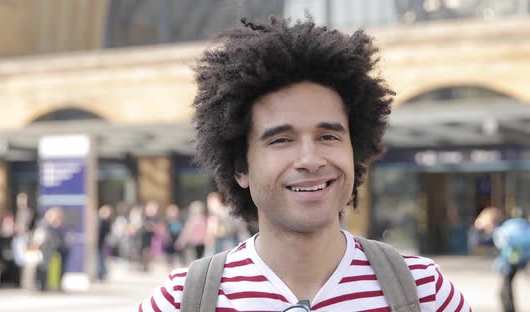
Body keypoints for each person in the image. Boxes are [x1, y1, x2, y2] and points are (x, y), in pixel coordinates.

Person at [139, 16, 470, 311]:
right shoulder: (182, 300)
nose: (311, 160)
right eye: (281, 140)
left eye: (328, 137)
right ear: (241, 167)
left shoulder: (425, 292)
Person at [493, 207, 530, 312]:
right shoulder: (526, 226)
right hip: (524, 259)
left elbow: (499, 241)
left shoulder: (507, 225)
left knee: (505, 287)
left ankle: (509, 309)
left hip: (509, 259)